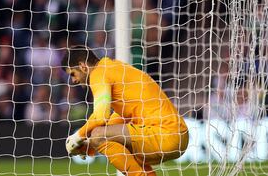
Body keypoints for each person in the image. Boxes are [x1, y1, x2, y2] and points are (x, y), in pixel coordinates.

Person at [61, 46, 189, 176]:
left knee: (98, 134)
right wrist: (90, 144)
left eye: (73, 74)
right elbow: (116, 123)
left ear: (83, 66)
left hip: (165, 134)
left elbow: (101, 117)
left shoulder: (98, 74)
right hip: (177, 135)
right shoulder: (114, 68)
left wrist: (77, 137)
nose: (73, 80)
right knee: (111, 140)